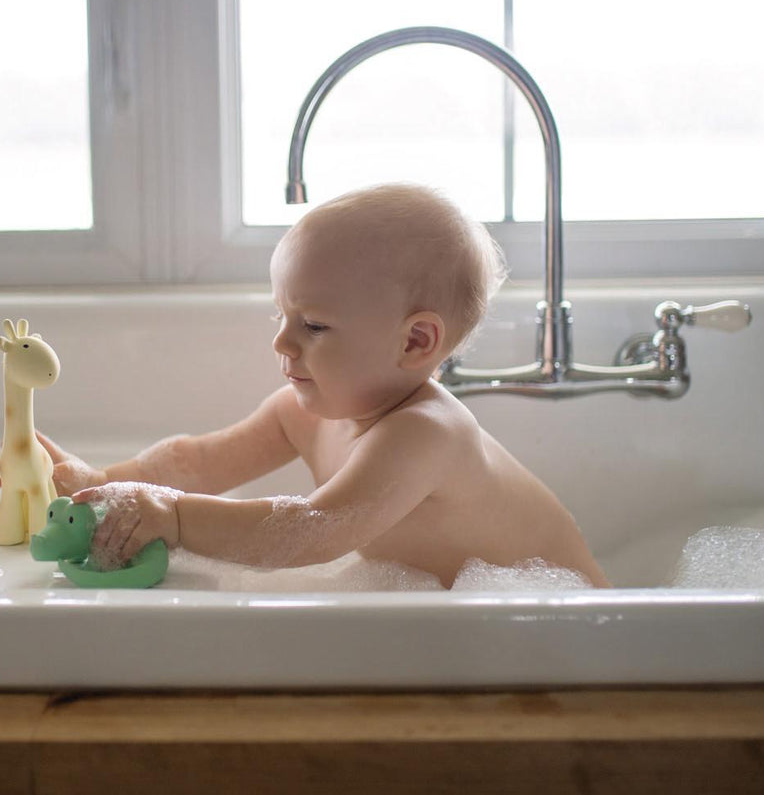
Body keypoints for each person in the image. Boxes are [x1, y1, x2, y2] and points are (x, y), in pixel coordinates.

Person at [41, 182, 608, 588]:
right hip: (467, 625)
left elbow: (309, 530)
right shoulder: (306, 409)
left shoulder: (426, 434)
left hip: (566, 630)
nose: (283, 343)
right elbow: (201, 459)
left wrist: (178, 517)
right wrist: (102, 482)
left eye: (313, 326)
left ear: (414, 343)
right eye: (281, 316)